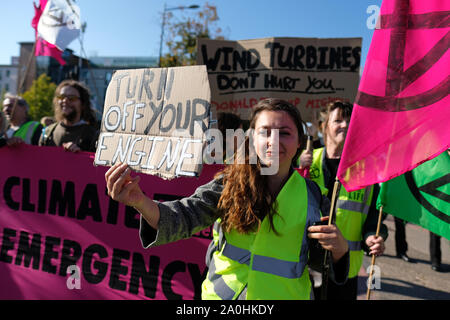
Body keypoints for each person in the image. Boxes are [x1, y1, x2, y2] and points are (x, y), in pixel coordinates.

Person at [106, 98, 350, 300]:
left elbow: (321, 262)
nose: (273, 141)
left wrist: (340, 250)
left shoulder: (315, 197)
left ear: (299, 142)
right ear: (253, 139)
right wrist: (141, 202)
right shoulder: (229, 183)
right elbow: (186, 214)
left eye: (284, 133)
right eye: (265, 132)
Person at [298, 101, 388, 300]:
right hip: (304, 265)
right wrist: (296, 169)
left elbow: (375, 213)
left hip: (344, 269)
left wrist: (374, 235)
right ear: (324, 126)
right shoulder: (306, 160)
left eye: (350, 120)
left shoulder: (367, 169)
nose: (345, 125)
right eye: (338, 120)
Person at [39, 80, 98, 152]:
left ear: (83, 104)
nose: (65, 100)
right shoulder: (47, 133)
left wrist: (80, 155)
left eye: (72, 98)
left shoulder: (93, 136)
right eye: (61, 97)